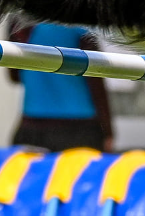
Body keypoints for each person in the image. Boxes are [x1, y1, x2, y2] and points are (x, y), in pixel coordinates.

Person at [8, 23, 114, 153]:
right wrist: (108, 131)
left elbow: (14, 76)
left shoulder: (22, 25)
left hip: (32, 126)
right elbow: (96, 81)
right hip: (80, 128)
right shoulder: (79, 26)